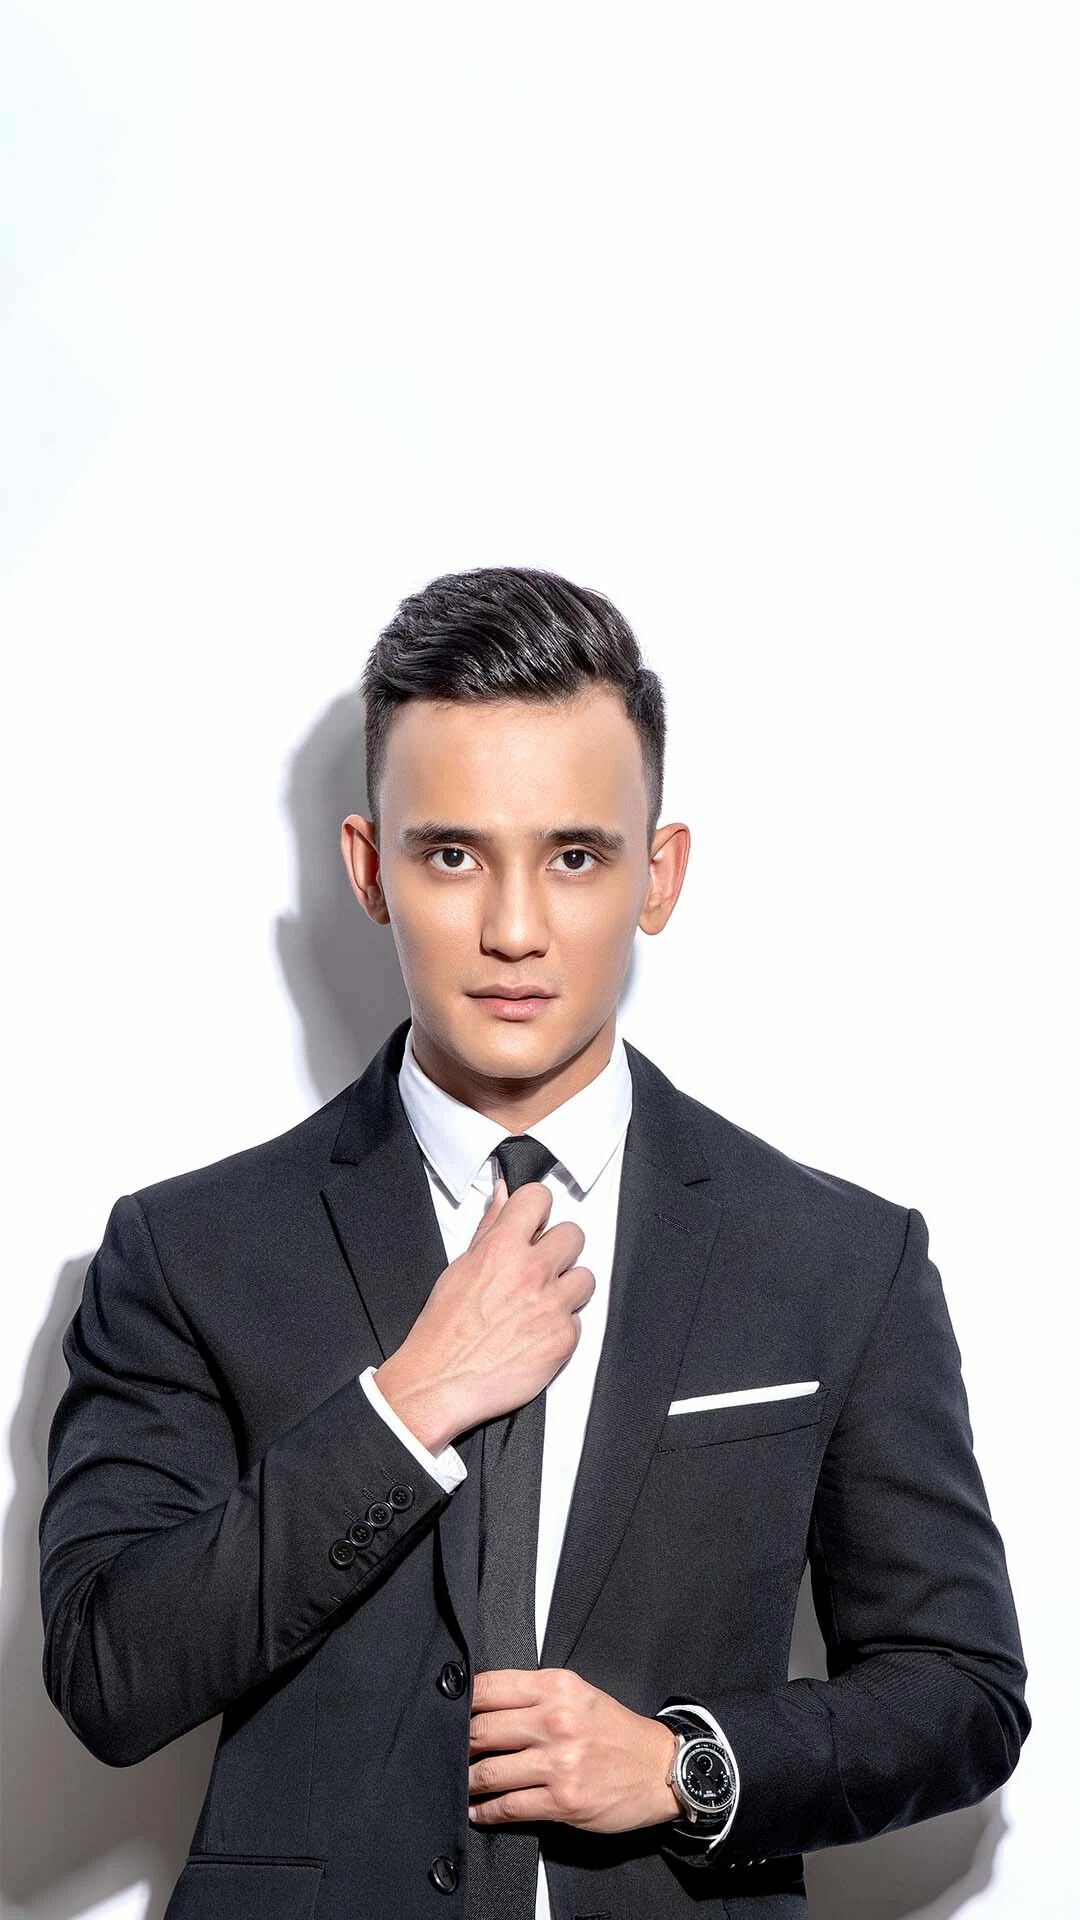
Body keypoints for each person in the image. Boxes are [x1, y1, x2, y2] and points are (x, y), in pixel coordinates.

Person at [39, 565, 1030, 1920]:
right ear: (370, 870)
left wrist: (686, 1765)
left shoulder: (838, 1259)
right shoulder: (186, 1252)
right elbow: (107, 1675)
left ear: (658, 876)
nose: (513, 931)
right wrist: (407, 1408)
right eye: (452, 855)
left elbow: (961, 1692)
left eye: (575, 856)